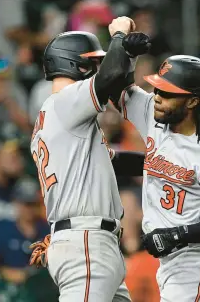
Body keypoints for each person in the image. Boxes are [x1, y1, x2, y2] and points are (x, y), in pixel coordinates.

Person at [29, 17, 150, 302]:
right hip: (85, 242)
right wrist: (118, 36)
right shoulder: (66, 101)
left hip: (90, 241)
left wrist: (164, 164)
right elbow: (109, 78)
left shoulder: (61, 115)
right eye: (92, 63)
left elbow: (116, 161)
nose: (97, 69)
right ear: (75, 64)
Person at [112, 54, 200, 301]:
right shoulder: (155, 116)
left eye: (167, 93)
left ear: (192, 101)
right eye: (157, 88)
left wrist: (176, 235)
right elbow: (112, 87)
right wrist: (124, 53)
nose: (157, 97)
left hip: (196, 260)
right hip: (169, 258)